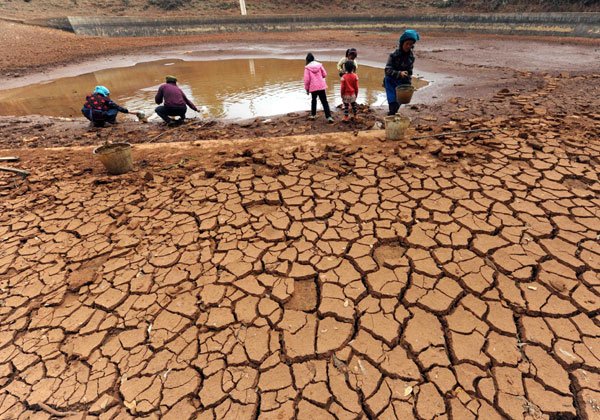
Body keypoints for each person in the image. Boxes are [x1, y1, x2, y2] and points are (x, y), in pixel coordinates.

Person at [384, 29, 420, 115]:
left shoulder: (411, 57)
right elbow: (387, 70)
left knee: (400, 100)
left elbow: (409, 72)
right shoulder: (393, 55)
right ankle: (391, 114)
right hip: (391, 80)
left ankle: (393, 113)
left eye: (410, 44)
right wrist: (399, 73)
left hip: (402, 82)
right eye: (407, 44)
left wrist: (409, 85)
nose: (408, 46)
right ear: (402, 43)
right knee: (392, 100)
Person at [304, 53, 334, 123]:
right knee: (324, 101)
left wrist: (307, 89)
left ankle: (313, 115)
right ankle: (329, 116)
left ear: (307, 60)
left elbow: (306, 80)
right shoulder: (319, 65)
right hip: (321, 86)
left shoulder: (307, 68)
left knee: (314, 100)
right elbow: (324, 74)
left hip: (313, 87)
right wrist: (320, 78)